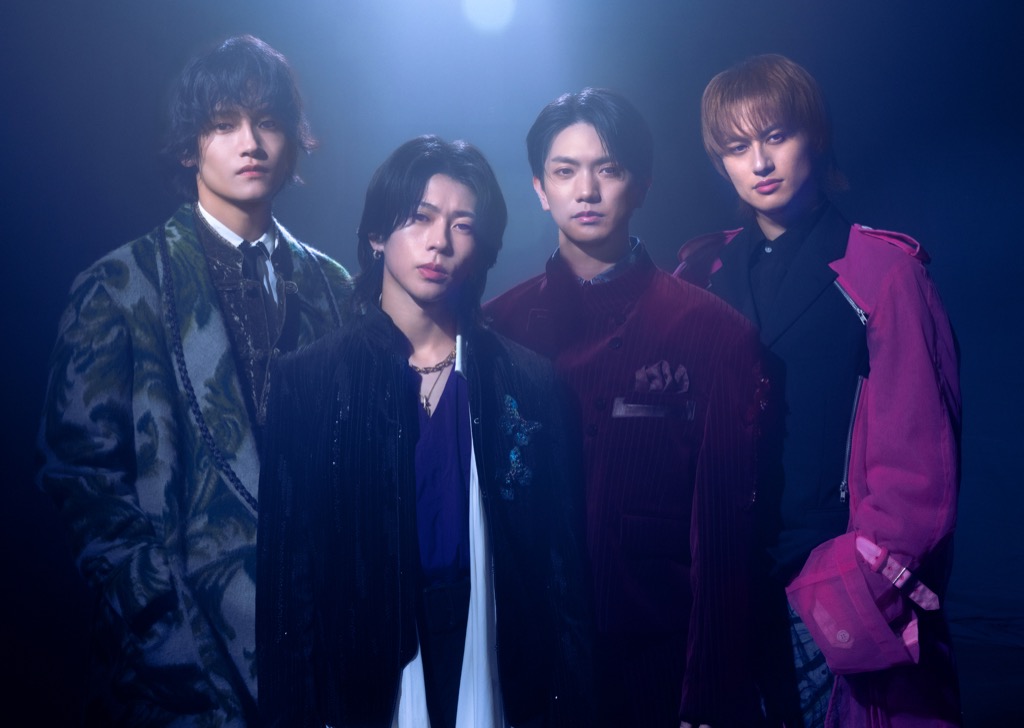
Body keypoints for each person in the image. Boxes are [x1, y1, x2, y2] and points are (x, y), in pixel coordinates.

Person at [36, 35, 351, 726]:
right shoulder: (120, 285)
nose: (251, 143)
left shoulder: (335, 288)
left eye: (267, 122)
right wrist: (162, 625)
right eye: (223, 123)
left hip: (324, 658)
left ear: (292, 141)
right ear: (189, 147)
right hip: (177, 668)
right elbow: (82, 482)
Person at [256, 135, 595, 728]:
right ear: (376, 234)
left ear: (482, 249)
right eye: (419, 217)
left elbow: (561, 577)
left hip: (498, 655)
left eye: (462, 225)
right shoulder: (307, 381)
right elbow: (288, 588)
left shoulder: (529, 381)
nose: (439, 241)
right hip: (363, 668)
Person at [675, 54, 962, 727]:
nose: (759, 162)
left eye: (775, 136)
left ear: (815, 134)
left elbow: (920, 464)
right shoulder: (699, 274)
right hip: (720, 586)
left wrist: (863, 579)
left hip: (829, 585)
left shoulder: (883, 271)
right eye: (737, 147)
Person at [485, 88, 765, 727]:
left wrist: (709, 693)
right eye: (565, 171)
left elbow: (723, 531)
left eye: (607, 169)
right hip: (528, 655)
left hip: (657, 654)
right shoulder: (497, 329)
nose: (586, 191)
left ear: (641, 184)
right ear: (539, 188)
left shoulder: (713, 333)